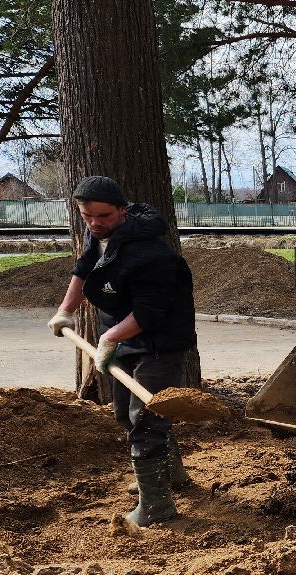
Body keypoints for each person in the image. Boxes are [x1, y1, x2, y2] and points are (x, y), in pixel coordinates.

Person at [46, 176, 197, 527]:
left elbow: (149, 313)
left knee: (146, 420)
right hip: (122, 333)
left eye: (104, 216)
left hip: (159, 340)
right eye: (87, 216)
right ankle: (168, 475)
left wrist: (109, 337)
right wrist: (66, 310)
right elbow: (83, 271)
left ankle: (157, 505)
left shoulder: (152, 254)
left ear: (123, 212)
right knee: (122, 414)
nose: (95, 223)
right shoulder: (96, 234)